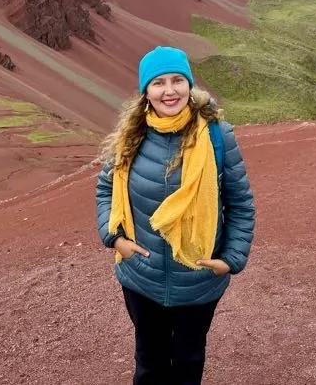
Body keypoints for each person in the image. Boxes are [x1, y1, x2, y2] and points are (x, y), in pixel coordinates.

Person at [95, 45, 256, 385]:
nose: (169, 91)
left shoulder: (217, 136)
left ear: (190, 85)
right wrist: (115, 239)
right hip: (141, 278)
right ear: (146, 91)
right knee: (149, 364)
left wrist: (231, 259)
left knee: (188, 362)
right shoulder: (130, 137)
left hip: (198, 281)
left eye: (177, 80)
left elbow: (240, 203)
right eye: (158, 83)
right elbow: (105, 191)